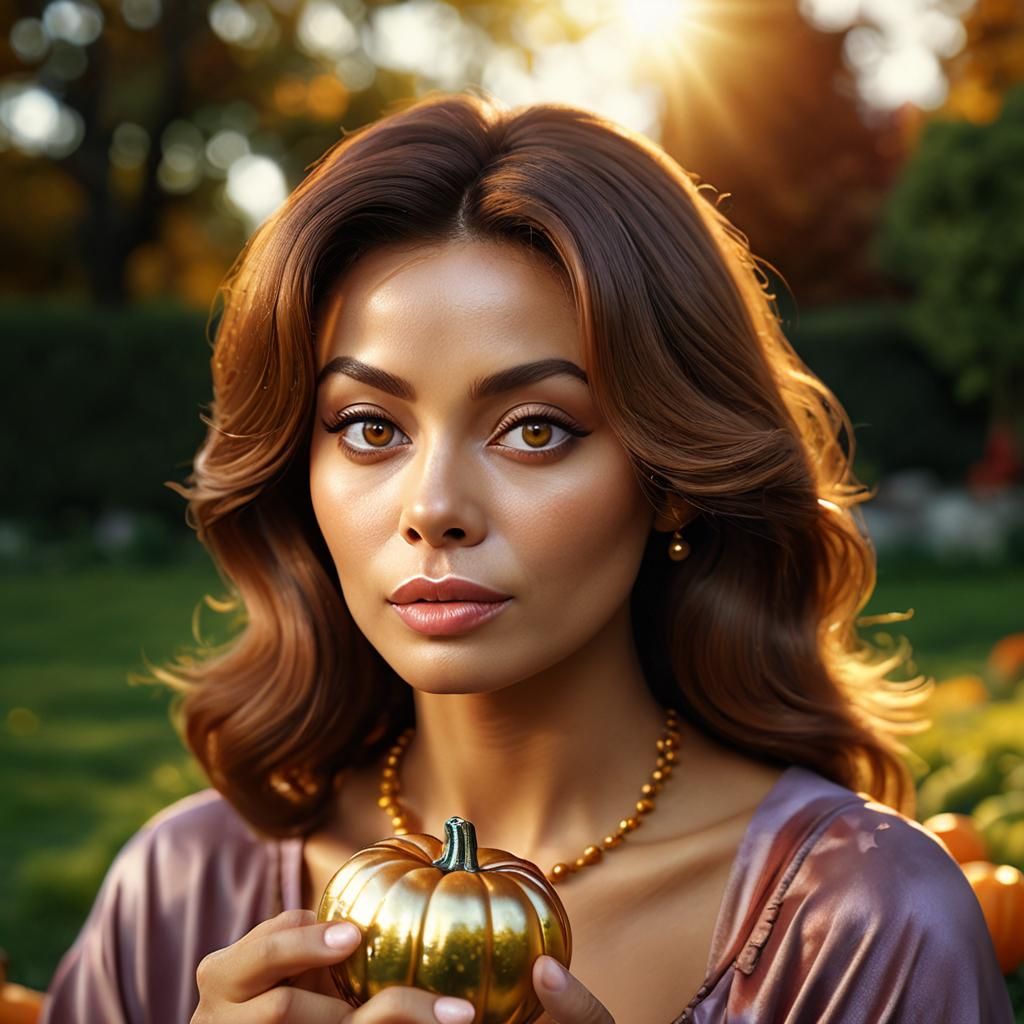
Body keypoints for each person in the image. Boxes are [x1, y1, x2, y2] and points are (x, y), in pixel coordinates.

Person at [39, 92, 1014, 1024]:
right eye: (371, 425)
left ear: (670, 469)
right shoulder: (176, 890)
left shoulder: (861, 920)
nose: (434, 509)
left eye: (536, 429)